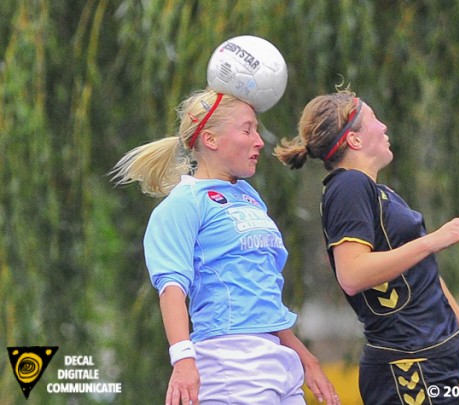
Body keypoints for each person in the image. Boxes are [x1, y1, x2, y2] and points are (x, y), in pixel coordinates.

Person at [111, 89, 339, 405]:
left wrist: (304, 357)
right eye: (247, 129)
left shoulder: (248, 196)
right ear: (211, 139)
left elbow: (262, 295)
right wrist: (183, 359)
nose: (259, 141)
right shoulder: (183, 204)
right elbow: (171, 288)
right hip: (231, 361)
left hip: (276, 357)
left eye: (257, 130)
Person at [274, 90, 459, 404]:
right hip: (406, 368)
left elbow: (421, 273)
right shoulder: (349, 187)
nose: (385, 127)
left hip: (431, 361)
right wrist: (434, 239)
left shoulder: (378, 192)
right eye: (375, 120)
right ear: (355, 141)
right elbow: (352, 274)